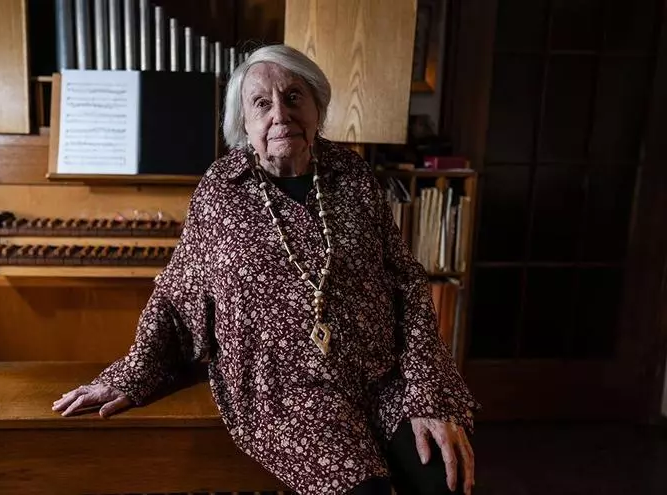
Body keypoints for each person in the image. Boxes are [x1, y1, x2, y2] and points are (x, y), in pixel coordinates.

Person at [53, 44, 479, 495]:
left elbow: (406, 282)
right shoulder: (220, 191)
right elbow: (177, 297)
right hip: (287, 393)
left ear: (317, 107)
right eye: (261, 103)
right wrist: (134, 373)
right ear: (245, 123)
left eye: (294, 96)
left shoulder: (352, 175)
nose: (280, 113)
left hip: (380, 376)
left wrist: (426, 392)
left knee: (446, 482)